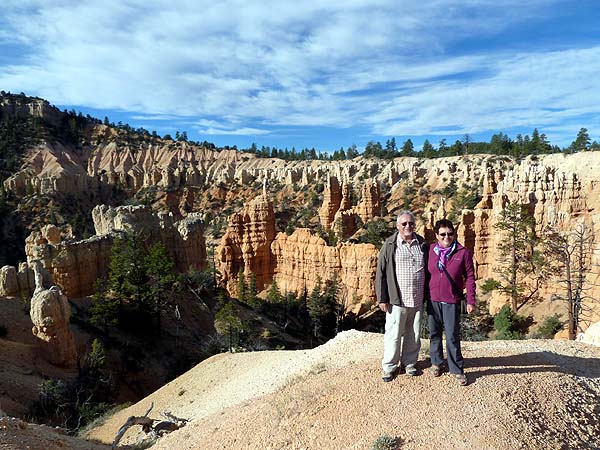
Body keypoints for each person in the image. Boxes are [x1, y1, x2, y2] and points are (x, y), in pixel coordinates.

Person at [376, 211, 428, 382]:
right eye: (404, 223)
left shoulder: (422, 244)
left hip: (417, 298)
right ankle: (389, 367)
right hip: (396, 299)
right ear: (398, 226)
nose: (408, 226)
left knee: (414, 333)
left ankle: (410, 363)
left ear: (415, 225)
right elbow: (381, 273)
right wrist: (382, 298)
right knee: (394, 334)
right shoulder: (390, 245)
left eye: (411, 223)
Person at [426, 219, 476, 386]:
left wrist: (470, 300)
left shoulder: (463, 252)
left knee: (452, 336)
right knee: (434, 334)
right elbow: (426, 275)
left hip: (451, 300)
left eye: (450, 234)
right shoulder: (431, 250)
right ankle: (436, 363)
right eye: (443, 234)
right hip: (433, 299)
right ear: (436, 236)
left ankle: (457, 369)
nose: (447, 237)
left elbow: (470, 278)